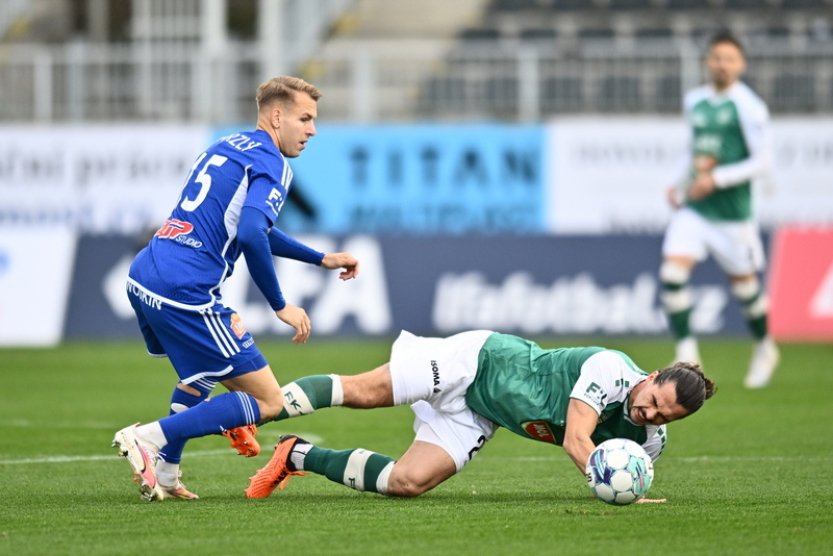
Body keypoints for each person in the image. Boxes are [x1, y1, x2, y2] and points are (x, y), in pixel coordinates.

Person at [113, 76, 360, 501]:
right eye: (305, 118)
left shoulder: (227, 144)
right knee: (266, 401)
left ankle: (167, 475)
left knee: (200, 375)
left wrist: (320, 258)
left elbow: (254, 228)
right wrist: (280, 305)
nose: (312, 130)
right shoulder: (275, 164)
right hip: (184, 287)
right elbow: (250, 234)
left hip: (146, 273)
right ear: (277, 116)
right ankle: (148, 438)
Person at [245, 329, 716, 501]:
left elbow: (622, 460)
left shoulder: (648, 443)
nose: (648, 413)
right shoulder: (610, 369)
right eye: (653, 399)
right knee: (364, 392)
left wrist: (631, 485)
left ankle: (296, 455)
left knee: (408, 483)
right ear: (651, 376)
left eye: (663, 417)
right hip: (477, 362)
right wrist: (619, 491)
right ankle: (254, 411)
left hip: (483, 413)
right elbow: (577, 441)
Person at [661, 30, 779, 389]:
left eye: (729, 59)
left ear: (741, 64)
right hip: (696, 210)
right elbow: (694, 149)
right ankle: (687, 353)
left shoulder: (749, 106)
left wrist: (718, 179)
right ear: (707, 62)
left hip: (732, 215)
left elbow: (763, 162)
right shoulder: (695, 100)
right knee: (672, 274)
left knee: (745, 289)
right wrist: (679, 182)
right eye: (716, 58)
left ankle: (765, 346)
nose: (722, 65)